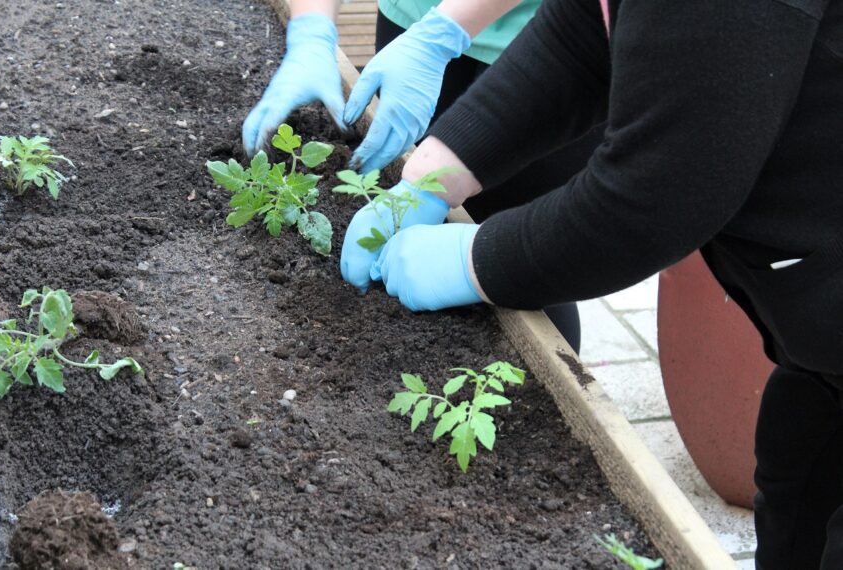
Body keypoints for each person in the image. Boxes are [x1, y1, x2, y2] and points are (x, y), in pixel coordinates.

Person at [345, 0, 843, 568]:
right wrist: (436, 172)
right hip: (821, 348)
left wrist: (475, 260)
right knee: (797, 497)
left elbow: (654, 199)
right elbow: (584, 33)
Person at [242, 0, 591, 352]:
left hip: (548, 37)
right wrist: (311, 30)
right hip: (413, 22)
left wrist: (484, 262)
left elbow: (611, 216)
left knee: (530, 294)